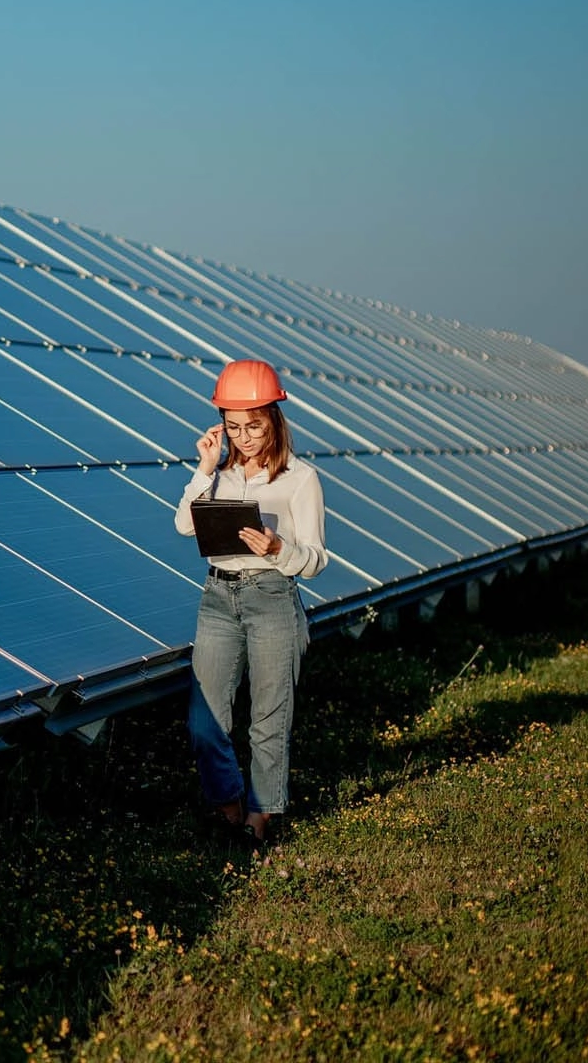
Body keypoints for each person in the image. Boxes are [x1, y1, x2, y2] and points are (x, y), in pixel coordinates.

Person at [174, 359, 327, 850]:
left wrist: (279, 549)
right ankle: (228, 804)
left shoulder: (300, 479)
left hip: (272, 598)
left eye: (254, 426)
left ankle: (259, 818)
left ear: (274, 420)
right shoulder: (218, 476)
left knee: (269, 718)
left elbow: (316, 560)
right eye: (234, 427)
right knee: (205, 720)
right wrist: (203, 469)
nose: (244, 438)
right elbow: (184, 525)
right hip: (218, 599)